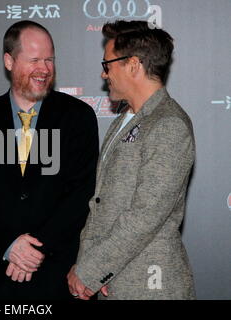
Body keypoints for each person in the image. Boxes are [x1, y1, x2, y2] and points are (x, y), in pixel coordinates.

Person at [0, 20, 99, 300]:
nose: (44, 68)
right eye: (34, 60)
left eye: (49, 59)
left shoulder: (78, 116)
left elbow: (83, 193)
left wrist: (35, 249)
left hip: (59, 275)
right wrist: (9, 244)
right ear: (9, 61)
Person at [67, 20, 196, 300]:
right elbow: (100, 204)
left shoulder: (168, 124)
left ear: (133, 65)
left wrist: (90, 271)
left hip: (149, 287)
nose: (104, 75)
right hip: (112, 282)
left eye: (107, 65)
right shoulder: (124, 121)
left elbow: (144, 216)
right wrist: (88, 266)